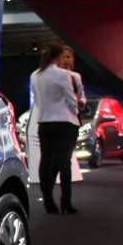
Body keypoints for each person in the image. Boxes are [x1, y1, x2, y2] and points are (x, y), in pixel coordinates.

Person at [30, 42, 81, 214]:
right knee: (63, 162)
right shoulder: (63, 75)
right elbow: (71, 100)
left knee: (46, 161)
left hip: (44, 122)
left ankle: (48, 200)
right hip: (65, 123)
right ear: (59, 56)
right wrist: (75, 111)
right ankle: (66, 201)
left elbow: (37, 101)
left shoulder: (35, 75)